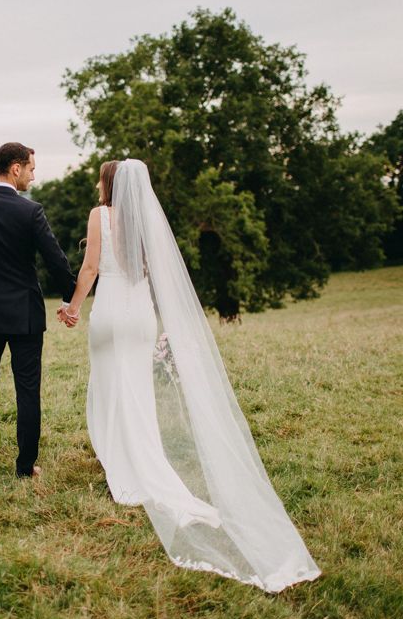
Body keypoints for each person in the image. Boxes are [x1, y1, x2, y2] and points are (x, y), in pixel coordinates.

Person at [58, 159, 321, 592]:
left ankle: (120, 462)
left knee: (109, 387)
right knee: (138, 393)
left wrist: (72, 307)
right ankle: (144, 462)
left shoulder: (99, 215)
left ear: (108, 185)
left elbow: (89, 268)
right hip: (140, 315)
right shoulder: (146, 218)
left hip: (108, 314)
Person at [0, 142, 75, 478]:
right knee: (27, 387)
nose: (33, 177)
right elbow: (55, 259)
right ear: (16, 168)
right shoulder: (30, 211)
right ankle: (25, 467)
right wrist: (70, 297)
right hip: (25, 314)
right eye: (32, 169)